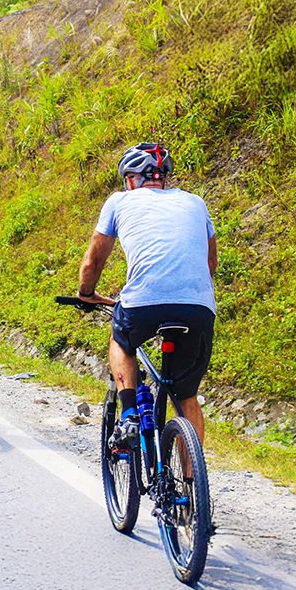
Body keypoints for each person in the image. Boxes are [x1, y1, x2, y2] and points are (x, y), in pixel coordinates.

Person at [74, 143, 217, 444]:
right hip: (198, 307)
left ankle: (128, 416)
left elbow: (93, 262)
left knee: (121, 341)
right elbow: (211, 263)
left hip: (142, 304)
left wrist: (87, 293)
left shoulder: (119, 202)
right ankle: (192, 488)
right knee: (186, 396)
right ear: (164, 178)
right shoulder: (196, 202)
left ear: (129, 180)